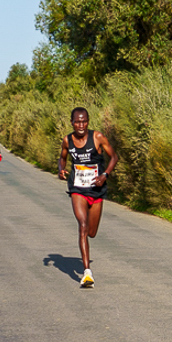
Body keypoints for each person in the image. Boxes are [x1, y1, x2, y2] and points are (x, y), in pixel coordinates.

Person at [58, 107, 118, 288]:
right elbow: (62, 158)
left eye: (84, 121)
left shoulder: (97, 137)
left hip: (96, 189)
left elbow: (114, 157)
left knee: (92, 232)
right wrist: (61, 169)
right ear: (72, 122)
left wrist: (105, 175)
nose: (81, 125)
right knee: (83, 226)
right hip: (78, 188)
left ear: (88, 122)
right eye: (77, 122)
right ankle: (87, 273)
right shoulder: (68, 140)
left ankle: (86, 266)